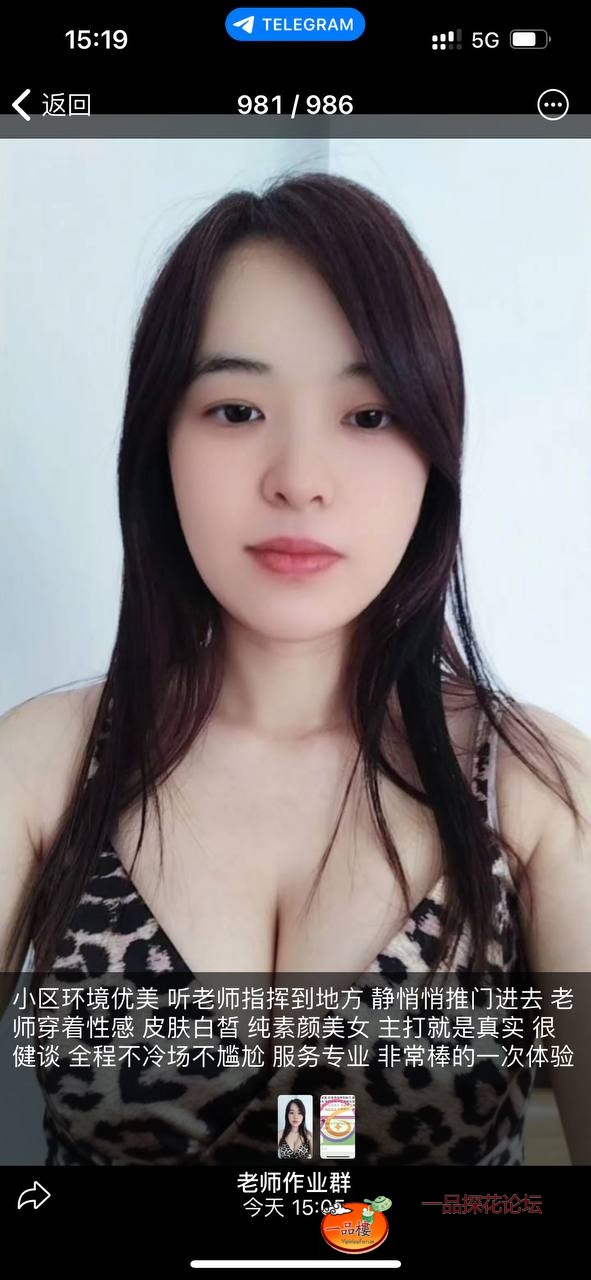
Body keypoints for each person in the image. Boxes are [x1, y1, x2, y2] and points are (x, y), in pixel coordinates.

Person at [1, 172, 590, 1168]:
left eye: (368, 415)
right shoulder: (38, 770)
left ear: (435, 450)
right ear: (160, 441)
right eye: (236, 409)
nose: (300, 480)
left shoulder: (537, 786)